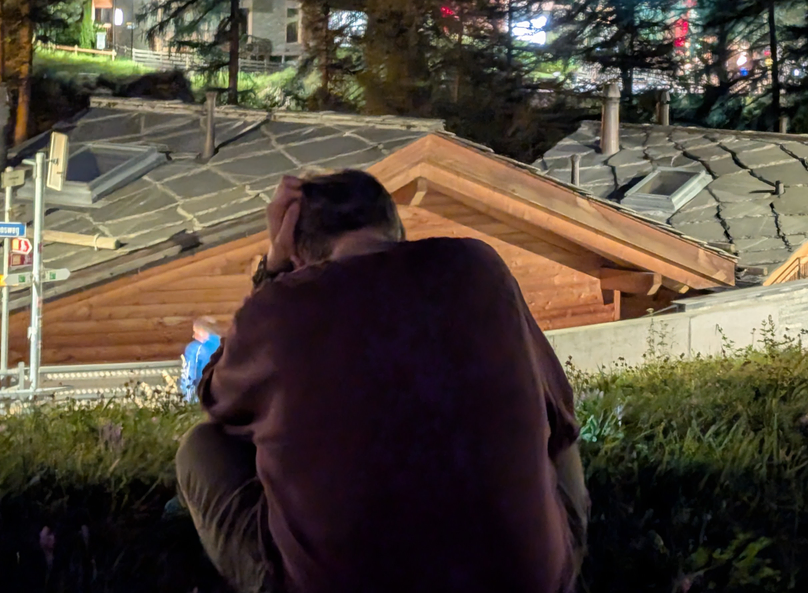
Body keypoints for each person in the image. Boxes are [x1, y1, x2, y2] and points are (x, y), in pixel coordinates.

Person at [176, 169, 588, 593]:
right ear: (395, 229)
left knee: (201, 447)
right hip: (525, 584)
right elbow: (558, 406)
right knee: (559, 424)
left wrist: (273, 271)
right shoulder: (479, 266)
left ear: (298, 253)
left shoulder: (280, 309)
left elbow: (217, 396)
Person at [180, 315, 222, 402]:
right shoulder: (227, 345)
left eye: (195, 332)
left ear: (202, 332)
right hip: (224, 400)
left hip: (201, 399)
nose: (193, 336)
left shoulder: (195, 348)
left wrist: (188, 400)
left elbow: (189, 376)